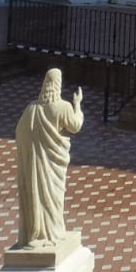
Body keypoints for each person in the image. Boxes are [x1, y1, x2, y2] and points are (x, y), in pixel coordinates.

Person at [15, 69, 84, 246]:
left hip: (35, 165)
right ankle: (52, 232)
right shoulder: (63, 107)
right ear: (58, 84)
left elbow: (20, 134)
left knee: (37, 195)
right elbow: (75, 125)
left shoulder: (31, 109)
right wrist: (78, 105)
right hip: (53, 166)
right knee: (53, 199)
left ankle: (38, 232)